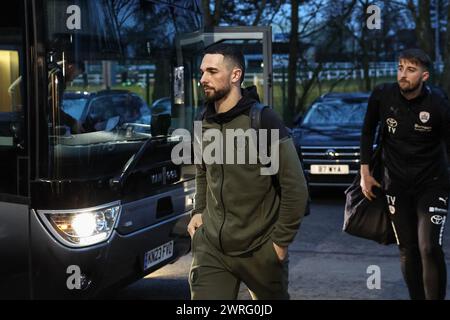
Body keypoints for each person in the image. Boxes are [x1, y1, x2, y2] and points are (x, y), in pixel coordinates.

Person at [187, 43, 309, 300]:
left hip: (260, 249)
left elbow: (295, 188)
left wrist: (279, 244)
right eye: (202, 72)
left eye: (212, 71)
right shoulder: (202, 120)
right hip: (212, 248)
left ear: (235, 75)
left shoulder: (263, 120)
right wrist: (199, 211)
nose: (203, 79)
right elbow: (202, 171)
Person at [360, 48, 450, 300]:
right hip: (396, 184)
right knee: (408, 249)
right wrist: (364, 172)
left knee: (429, 247)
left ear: (424, 76)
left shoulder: (438, 103)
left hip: (432, 184)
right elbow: (367, 131)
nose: (403, 74)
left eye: (411, 70)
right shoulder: (382, 95)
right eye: (400, 68)